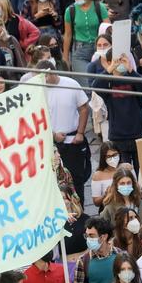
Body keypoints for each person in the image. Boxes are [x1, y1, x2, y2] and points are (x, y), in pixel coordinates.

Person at [41, 60, 90, 204]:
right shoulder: (39, 90)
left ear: (53, 72)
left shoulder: (71, 84)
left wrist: (80, 133)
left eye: (46, 76)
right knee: (56, 184)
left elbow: (84, 108)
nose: (44, 80)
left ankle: (80, 213)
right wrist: (53, 135)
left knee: (77, 180)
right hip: (52, 144)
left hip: (73, 141)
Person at [90, 54, 142, 173]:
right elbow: (96, 87)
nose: (119, 63)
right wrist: (110, 70)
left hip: (138, 133)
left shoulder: (132, 78)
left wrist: (131, 70)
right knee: (123, 173)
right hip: (118, 136)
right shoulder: (108, 82)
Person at [73, 216, 121, 283]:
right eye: (86, 235)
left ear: (103, 237)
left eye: (91, 235)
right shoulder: (83, 261)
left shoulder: (120, 256)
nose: (88, 239)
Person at [91, 142, 122, 209]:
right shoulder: (98, 175)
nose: (113, 158)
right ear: (104, 158)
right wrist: (105, 195)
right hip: (108, 209)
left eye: (115, 155)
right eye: (109, 156)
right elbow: (96, 202)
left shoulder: (127, 168)